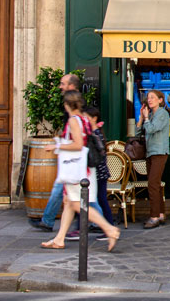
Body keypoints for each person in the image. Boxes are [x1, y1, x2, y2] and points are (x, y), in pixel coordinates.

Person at [40, 91, 119, 251]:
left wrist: (56, 146)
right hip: (85, 168)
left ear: (67, 105)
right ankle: (59, 239)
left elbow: (78, 145)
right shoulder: (84, 119)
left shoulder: (74, 121)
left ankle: (109, 229)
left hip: (77, 169)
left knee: (78, 205)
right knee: (69, 203)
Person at [29, 73, 83, 232]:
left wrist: (58, 146)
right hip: (71, 157)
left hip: (75, 157)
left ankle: (102, 226)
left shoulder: (76, 109)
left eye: (63, 84)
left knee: (72, 194)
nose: (60, 86)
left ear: (71, 86)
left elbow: (79, 140)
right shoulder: (72, 108)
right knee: (65, 193)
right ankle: (50, 221)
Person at [136, 90, 170, 229]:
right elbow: (139, 132)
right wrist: (141, 118)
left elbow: (152, 129)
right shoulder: (149, 114)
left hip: (160, 152)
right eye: (148, 98)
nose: (149, 100)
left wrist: (147, 119)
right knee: (156, 185)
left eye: (152, 97)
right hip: (150, 152)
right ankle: (161, 214)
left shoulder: (162, 113)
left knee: (152, 184)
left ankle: (154, 216)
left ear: (160, 100)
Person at [84, 106, 115, 240]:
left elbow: (98, 155)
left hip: (99, 172)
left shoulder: (95, 134)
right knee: (99, 199)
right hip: (100, 172)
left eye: (87, 117)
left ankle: (108, 227)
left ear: (94, 118)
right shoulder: (95, 132)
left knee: (100, 200)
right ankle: (105, 225)